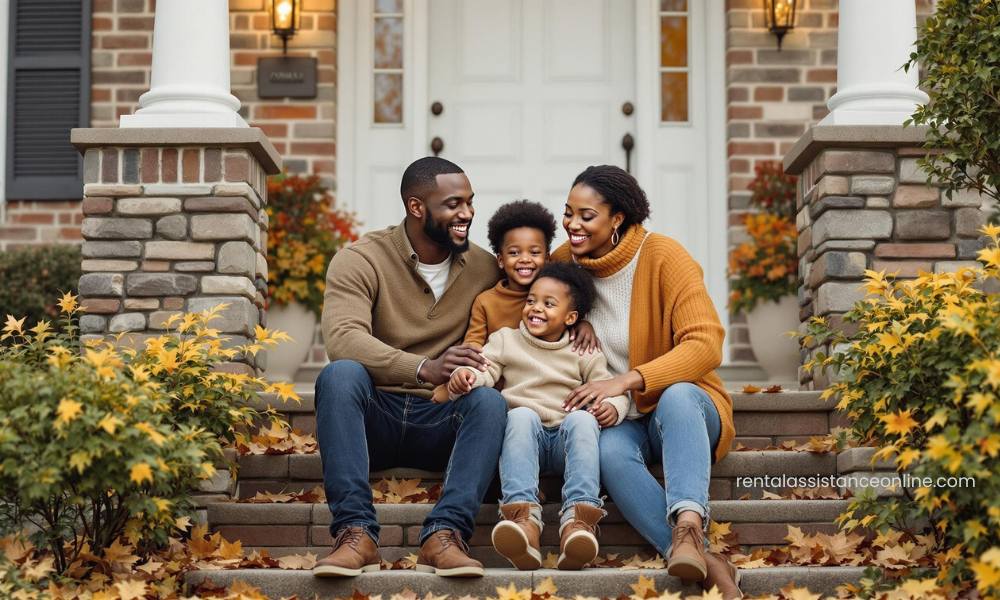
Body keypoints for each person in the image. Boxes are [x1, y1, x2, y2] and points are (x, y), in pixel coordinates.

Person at [553, 165, 743, 599]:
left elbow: (706, 344)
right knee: (609, 453)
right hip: (622, 419)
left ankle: (690, 524)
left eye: (586, 216)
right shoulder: (565, 263)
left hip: (688, 409)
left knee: (676, 395)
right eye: (568, 213)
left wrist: (628, 380)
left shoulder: (664, 257)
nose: (572, 224)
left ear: (617, 218)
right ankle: (704, 559)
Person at [312, 157, 505, 579]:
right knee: (339, 375)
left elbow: (538, 297)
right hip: (374, 417)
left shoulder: (486, 268)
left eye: (470, 203)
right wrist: (423, 367)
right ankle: (356, 532)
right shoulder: (361, 259)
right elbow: (343, 338)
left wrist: (577, 317)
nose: (467, 214)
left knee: (489, 402)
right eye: (454, 204)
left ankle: (445, 535)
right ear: (417, 207)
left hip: (442, 418)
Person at [448, 262, 633, 571]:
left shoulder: (583, 349)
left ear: (570, 317)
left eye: (549, 304)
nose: (535, 308)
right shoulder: (506, 339)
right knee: (520, 415)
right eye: (531, 300)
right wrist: (465, 376)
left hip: (566, 442)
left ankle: (578, 521)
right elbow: (485, 368)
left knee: (583, 419)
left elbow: (611, 388)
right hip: (522, 443)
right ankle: (524, 522)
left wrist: (613, 408)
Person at [430, 200, 598, 403]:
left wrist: (584, 324)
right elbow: (473, 345)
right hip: (498, 387)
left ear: (547, 258)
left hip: (544, 392)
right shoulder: (486, 301)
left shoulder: (555, 299)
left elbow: (565, 318)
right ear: (500, 260)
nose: (525, 259)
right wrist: (460, 377)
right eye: (514, 252)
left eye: (534, 252)